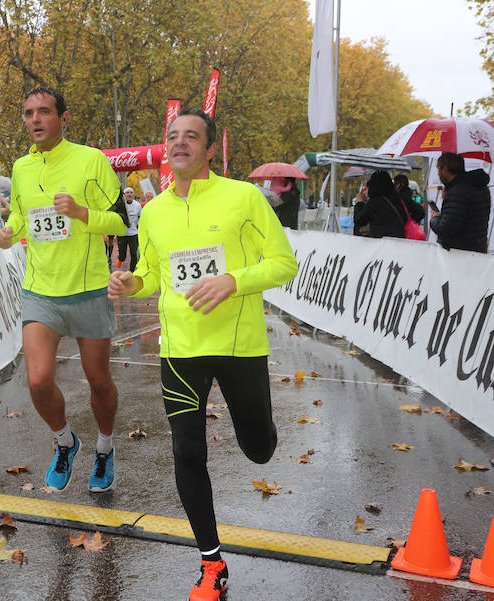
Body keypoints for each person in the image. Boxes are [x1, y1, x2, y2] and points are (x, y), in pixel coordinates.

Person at [108, 108, 297, 601]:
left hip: (238, 347)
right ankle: (211, 563)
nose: (180, 143)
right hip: (181, 351)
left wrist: (234, 279)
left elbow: (284, 263)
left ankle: (259, 429)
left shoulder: (243, 198)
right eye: (173, 136)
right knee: (187, 451)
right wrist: (132, 283)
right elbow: (150, 273)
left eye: (192, 137)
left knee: (259, 449)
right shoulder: (152, 212)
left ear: (210, 150)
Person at [0, 87, 128, 493]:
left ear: (62, 118)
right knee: (37, 381)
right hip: (40, 291)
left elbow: (120, 221)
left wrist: (81, 212)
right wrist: (9, 231)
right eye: (29, 113)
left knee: (98, 380)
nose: (35, 120)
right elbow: (21, 213)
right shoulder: (19, 167)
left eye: (44, 112)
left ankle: (104, 447)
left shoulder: (90, 160)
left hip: (88, 289)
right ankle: (65, 441)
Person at [430, 152, 491, 253]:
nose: (438, 173)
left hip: (458, 253)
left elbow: (446, 229)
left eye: (438, 169)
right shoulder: (480, 187)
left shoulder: (457, 192)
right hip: (478, 249)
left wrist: (435, 219)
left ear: (445, 168)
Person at [353, 170, 422, 239]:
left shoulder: (375, 202)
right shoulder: (399, 198)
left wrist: (360, 203)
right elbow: (420, 212)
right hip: (400, 241)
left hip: (382, 243)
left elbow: (359, 220)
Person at [116, 187, 142, 271]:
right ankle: (120, 259)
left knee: (134, 254)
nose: (129, 194)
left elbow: (141, 218)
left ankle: (131, 271)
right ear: (124, 195)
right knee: (122, 256)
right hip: (122, 233)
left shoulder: (137, 205)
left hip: (133, 233)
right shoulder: (120, 205)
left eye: (131, 192)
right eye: (127, 192)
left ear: (133, 195)